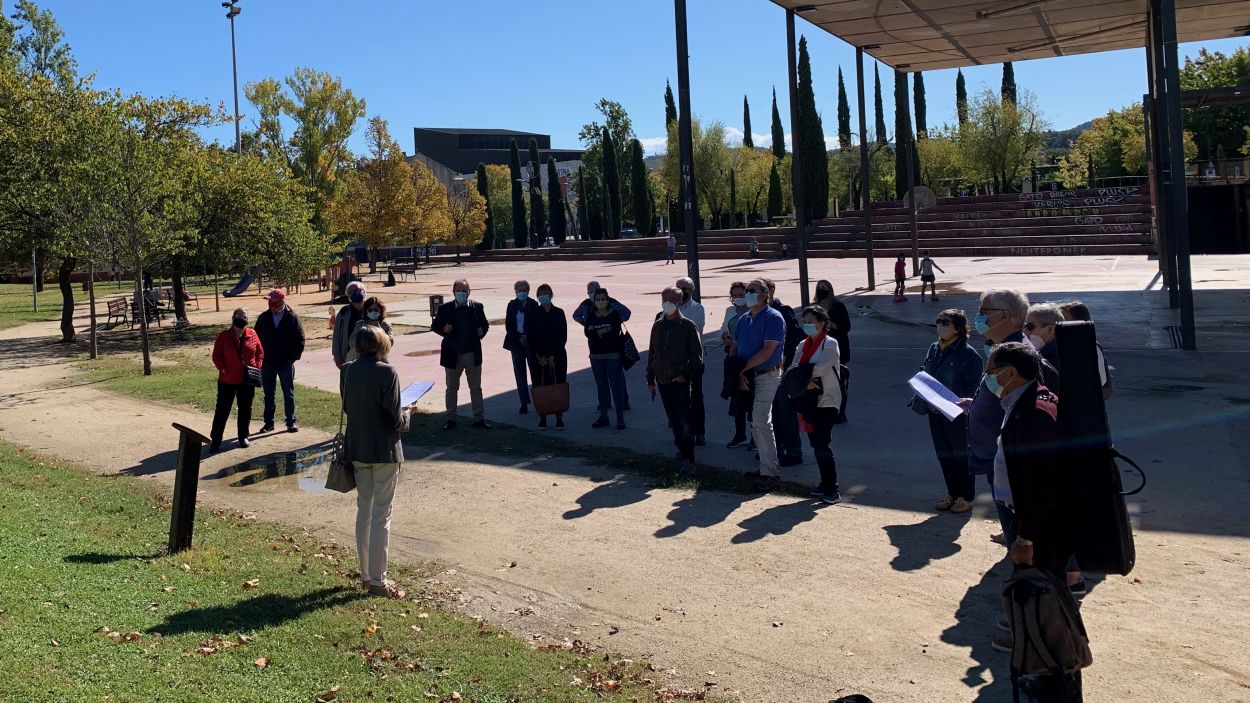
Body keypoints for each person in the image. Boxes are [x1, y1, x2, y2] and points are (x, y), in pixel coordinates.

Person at [984, 342, 1076, 657]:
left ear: (1011, 373)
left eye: (991, 371)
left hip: (1036, 519)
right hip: (1019, 510)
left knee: (1041, 578)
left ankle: (1042, 642)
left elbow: (1044, 484)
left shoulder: (1035, 415)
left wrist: (1026, 535)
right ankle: (1028, 628)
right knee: (1030, 576)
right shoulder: (1023, 400)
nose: (988, 377)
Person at [341, 326, 413, 599]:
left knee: (364, 510)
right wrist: (408, 414)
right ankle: (378, 580)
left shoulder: (347, 370)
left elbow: (349, 407)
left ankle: (365, 573)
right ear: (382, 345)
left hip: (358, 447)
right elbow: (395, 419)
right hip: (384, 450)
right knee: (381, 514)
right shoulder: (387, 372)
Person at [965, 289, 1030, 546]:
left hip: (1006, 453)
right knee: (1006, 506)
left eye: (983, 312)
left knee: (1012, 505)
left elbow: (1020, 404)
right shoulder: (1000, 349)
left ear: (1003, 316)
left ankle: (1021, 563)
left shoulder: (1017, 355)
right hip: (995, 450)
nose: (978, 318)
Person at [911, 309, 983, 513]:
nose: (941, 325)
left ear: (959, 328)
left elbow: (974, 386)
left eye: (946, 322)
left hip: (956, 414)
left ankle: (966, 497)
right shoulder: (934, 348)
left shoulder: (968, 354)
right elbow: (926, 369)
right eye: (939, 320)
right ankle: (951, 493)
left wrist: (954, 400)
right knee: (944, 455)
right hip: (935, 411)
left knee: (961, 456)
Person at [731, 279, 786, 491]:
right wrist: (737, 372)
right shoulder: (744, 319)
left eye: (752, 290)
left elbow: (768, 351)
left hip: (766, 375)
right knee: (755, 422)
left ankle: (771, 473)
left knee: (762, 421)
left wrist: (743, 369)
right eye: (746, 291)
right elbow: (734, 347)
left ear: (765, 294)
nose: (748, 294)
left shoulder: (774, 317)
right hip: (746, 376)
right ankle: (765, 468)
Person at [788, 305, 844, 504]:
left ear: (821, 323)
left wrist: (803, 376)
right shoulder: (803, 344)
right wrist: (804, 380)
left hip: (826, 400)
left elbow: (822, 368)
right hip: (808, 400)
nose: (807, 325)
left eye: (811, 321)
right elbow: (794, 367)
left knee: (822, 443)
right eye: (805, 321)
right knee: (815, 444)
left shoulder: (830, 343)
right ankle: (824, 483)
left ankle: (832, 487)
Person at [647, 286, 704, 471]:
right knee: (673, 420)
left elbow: (697, 355)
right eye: (664, 298)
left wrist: (686, 374)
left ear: (680, 302)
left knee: (683, 421)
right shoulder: (658, 324)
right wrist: (650, 378)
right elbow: (653, 353)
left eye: (672, 299)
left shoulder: (688, 326)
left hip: (679, 381)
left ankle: (689, 457)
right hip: (662, 380)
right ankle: (681, 451)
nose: (667, 302)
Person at [432, 279, 490, 430]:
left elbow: (485, 324)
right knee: (451, 388)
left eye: (464, 290)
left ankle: (479, 418)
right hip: (452, 355)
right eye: (458, 290)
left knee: (476, 388)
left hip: (472, 354)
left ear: (469, 292)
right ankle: (451, 419)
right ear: (453, 292)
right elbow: (435, 326)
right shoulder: (445, 308)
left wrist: (481, 331)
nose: (461, 293)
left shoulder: (477, 307)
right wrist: (444, 329)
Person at [209, 308, 264, 452]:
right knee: (222, 410)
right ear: (233, 318)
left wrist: (256, 367)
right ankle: (215, 440)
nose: (242, 318)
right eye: (239, 316)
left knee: (245, 409)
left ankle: (243, 436)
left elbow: (260, 352)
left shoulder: (252, 334)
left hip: (247, 380)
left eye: (244, 316)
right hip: (227, 380)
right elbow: (216, 356)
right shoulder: (224, 336)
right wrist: (223, 369)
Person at [573, 280, 632, 409]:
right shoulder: (586, 304)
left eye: (595, 290)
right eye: (590, 291)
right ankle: (605, 403)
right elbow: (575, 316)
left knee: (617, 376)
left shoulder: (611, 302)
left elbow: (627, 313)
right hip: (595, 346)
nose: (593, 294)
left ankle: (623, 400)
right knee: (601, 379)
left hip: (613, 345)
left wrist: (614, 323)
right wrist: (586, 325)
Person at [765, 279, 805, 466]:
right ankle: (776, 449)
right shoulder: (757, 314)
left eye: (756, 290)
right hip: (765, 372)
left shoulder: (784, 311)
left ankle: (793, 451)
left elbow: (792, 342)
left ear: (771, 291)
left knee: (786, 412)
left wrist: (784, 368)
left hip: (782, 371)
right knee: (771, 413)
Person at [254, 288, 305, 434]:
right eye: (269, 301)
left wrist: (292, 358)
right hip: (267, 363)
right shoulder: (263, 317)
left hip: (285, 363)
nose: (270, 303)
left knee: (288, 393)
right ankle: (268, 423)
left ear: (282, 301)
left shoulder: (292, 317)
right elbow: (255, 339)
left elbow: (300, 339)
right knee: (268, 394)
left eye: (273, 301)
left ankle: (291, 422)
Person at [585, 287, 627, 430]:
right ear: (594, 301)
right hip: (596, 356)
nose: (600, 302)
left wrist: (597, 331)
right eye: (598, 299)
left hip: (613, 355)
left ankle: (620, 418)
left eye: (603, 299)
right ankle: (604, 416)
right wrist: (603, 331)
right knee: (601, 387)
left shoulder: (614, 314)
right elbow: (587, 333)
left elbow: (614, 332)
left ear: (607, 300)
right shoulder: (591, 314)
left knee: (616, 386)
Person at [527, 283, 568, 430]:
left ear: (551, 295)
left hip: (557, 356)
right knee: (540, 385)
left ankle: (559, 417)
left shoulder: (559, 313)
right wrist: (539, 356)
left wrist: (553, 356)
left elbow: (562, 336)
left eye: (546, 293)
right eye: (540, 294)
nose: (543, 296)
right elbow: (531, 337)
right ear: (537, 297)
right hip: (538, 357)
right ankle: (543, 417)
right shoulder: (533, 314)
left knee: (557, 384)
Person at [813, 280, 852, 423]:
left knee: (839, 383)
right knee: (821, 384)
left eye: (824, 288)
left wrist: (829, 323)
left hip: (838, 349)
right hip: (819, 349)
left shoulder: (838, 306)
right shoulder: (814, 307)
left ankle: (840, 412)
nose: (822, 290)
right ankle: (824, 410)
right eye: (819, 288)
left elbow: (846, 327)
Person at [720, 281, 753, 449]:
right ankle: (740, 434)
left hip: (750, 359)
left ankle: (755, 437)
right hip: (733, 357)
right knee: (736, 398)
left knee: (752, 397)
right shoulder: (730, 311)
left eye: (742, 294)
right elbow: (723, 329)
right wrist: (725, 336)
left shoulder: (754, 311)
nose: (738, 298)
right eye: (735, 295)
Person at [674, 276, 706, 445]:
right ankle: (682, 432)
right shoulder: (669, 307)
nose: (682, 290)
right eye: (679, 287)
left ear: (692, 291)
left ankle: (699, 432)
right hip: (674, 361)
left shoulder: (697, 308)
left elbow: (694, 332)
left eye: (685, 288)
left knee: (695, 397)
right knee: (678, 398)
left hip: (693, 360)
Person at [1059, 300, 1112, 399]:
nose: (1059, 323)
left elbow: (1101, 380)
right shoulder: (1060, 343)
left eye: (1064, 319)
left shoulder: (1091, 346)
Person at [504, 280, 540, 415]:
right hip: (516, 343)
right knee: (520, 374)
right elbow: (509, 325)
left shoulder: (534, 305)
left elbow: (536, 324)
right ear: (515, 292)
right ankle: (524, 402)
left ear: (528, 291)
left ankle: (538, 400)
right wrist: (519, 337)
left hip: (530, 344)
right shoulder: (512, 305)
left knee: (535, 372)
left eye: (524, 290)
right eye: (519, 290)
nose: (521, 292)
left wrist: (527, 337)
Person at [332, 281, 368, 369]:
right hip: (348, 357)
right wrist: (337, 358)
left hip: (369, 358)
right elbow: (336, 336)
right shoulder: (343, 313)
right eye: (351, 291)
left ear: (365, 292)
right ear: (348, 296)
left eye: (358, 290)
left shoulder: (373, 309)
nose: (355, 292)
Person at [347, 296, 395, 363]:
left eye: (376, 310)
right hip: (361, 360)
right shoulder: (360, 324)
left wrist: (380, 331)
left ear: (381, 311)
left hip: (379, 361)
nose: (373, 312)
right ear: (366, 311)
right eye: (370, 310)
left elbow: (390, 343)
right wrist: (362, 331)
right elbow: (351, 343)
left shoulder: (385, 325)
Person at [1025, 302, 1065, 370]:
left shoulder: (1055, 360)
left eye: (1030, 327)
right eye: (1024, 326)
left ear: (1050, 329)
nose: (1025, 331)